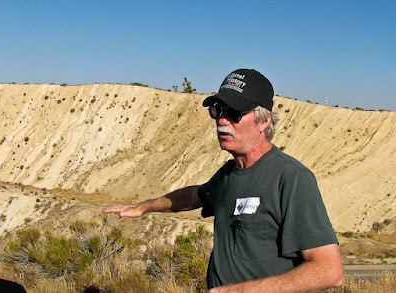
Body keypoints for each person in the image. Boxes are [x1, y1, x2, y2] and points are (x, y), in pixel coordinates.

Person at [103, 69, 344, 292]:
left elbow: (329, 271)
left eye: (235, 113)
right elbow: (192, 196)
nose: (222, 121)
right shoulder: (229, 174)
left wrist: (240, 291)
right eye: (218, 111)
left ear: (264, 121)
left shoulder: (291, 178)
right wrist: (144, 207)